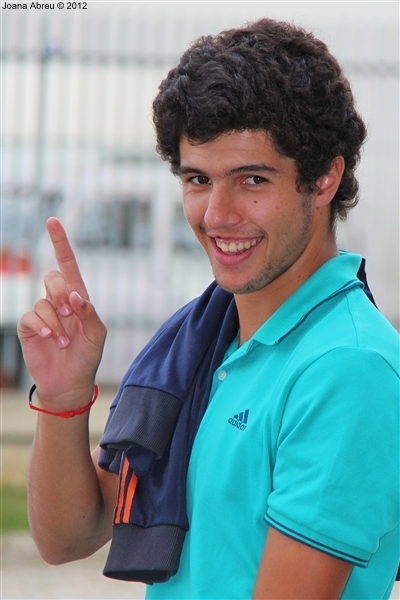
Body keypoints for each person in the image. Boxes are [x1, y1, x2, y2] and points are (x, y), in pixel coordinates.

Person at [18, 17, 399, 600]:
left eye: (252, 180)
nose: (217, 215)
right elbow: (68, 536)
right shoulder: (203, 342)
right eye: (198, 178)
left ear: (325, 179)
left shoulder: (346, 365)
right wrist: (64, 398)